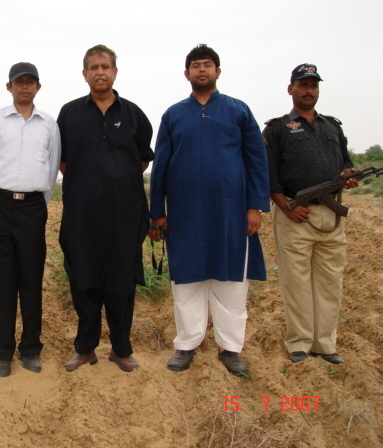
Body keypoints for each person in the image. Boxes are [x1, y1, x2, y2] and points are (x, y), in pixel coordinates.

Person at [148, 44, 270, 376]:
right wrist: (157, 211)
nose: (202, 70)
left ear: (218, 71)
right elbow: (160, 166)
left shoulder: (238, 110)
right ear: (186, 74)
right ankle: (186, 344)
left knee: (231, 283)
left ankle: (231, 349)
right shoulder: (173, 115)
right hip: (186, 214)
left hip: (230, 212)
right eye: (196, 65)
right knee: (186, 282)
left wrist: (255, 207)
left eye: (208, 65)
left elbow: (256, 160)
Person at [57, 44, 154, 373]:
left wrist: (115, 182)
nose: (100, 72)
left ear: (115, 71)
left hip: (124, 217)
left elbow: (142, 159)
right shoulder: (69, 114)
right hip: (81, 217)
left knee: (121, 283)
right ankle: (85, 349)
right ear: (84, 74)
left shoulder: (134, 114)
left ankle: (121, 349)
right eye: (93, 67)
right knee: (83, 281)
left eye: (105, 66)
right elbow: (63, 161)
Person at [262, 64, 357, 365]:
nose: (308, 90)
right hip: (295, 216)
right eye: (302, 84)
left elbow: (345, 161)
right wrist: (286, 205)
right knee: (297, 283)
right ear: (291, 89)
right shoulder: (277, 129)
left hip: (331, 216)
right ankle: (299, 344)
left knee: (330, 283)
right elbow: (267, 174)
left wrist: (348, 174)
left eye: (313, 85)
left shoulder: (332, 127)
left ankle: (325, 344)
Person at [0, 62, 61, 377]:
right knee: (1, 282)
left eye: (30, 82)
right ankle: (3, 351)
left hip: (32, 209)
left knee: (30, 280)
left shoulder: (48, 124)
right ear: (9, 87)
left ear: (38, 87)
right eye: (18, 82)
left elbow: (51, 168)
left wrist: (36, 199)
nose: (24, 87)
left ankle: (30, 349)